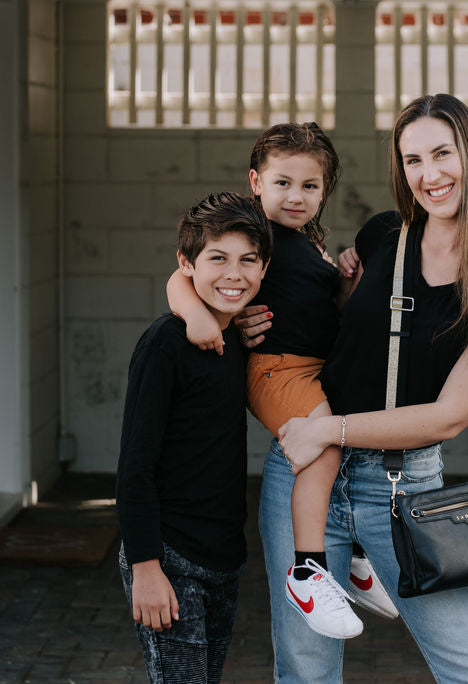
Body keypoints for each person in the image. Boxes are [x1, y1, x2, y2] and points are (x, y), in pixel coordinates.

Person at [240, 93, 468, 682]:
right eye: (412, 161)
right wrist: (247, 318)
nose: (429, 175)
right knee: (304, 672)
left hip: (404, 489)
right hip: (304, 478)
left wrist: (330, 429)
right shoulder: (384, 237)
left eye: (442, 153)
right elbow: (327, 327)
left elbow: (449, 416)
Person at [165, 122, 398, 641]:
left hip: (314, 368)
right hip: (277, 368)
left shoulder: (307, 244)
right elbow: (182, 274)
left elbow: (324, 310)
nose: (296, 196)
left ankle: (357, 563)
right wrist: (197, 316)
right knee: (326, 448)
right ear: (256, 181)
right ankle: (309, 572)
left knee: (355, 438)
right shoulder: (254, 234)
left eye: (310, 186)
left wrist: (346, 280)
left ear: (324, 191)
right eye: (283, 183)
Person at [116, 192, 272, 684]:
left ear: (265, 267)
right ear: (186, 263)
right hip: (170, 555)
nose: (234, 274)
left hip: (223, 557)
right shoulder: (166, 344)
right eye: (217, 259)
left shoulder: (237, 341)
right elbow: (135, 465)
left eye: (248, 260)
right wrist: (145, 565)